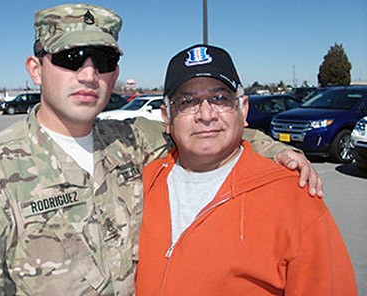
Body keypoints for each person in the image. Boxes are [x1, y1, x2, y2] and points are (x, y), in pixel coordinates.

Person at [0, 4, 321, 295]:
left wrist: (272, 149)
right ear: (35, 69)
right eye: (70, 58)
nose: (88, 74)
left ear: (115, 74)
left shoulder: (130, 142)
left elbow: (207, 130)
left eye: (103, 59)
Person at [136, 44, 357, 295]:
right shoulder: (139, 186)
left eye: (220, 99)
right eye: (187, 102)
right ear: (166, 116)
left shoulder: (295, 197)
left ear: (243, 109)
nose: (206, 115)